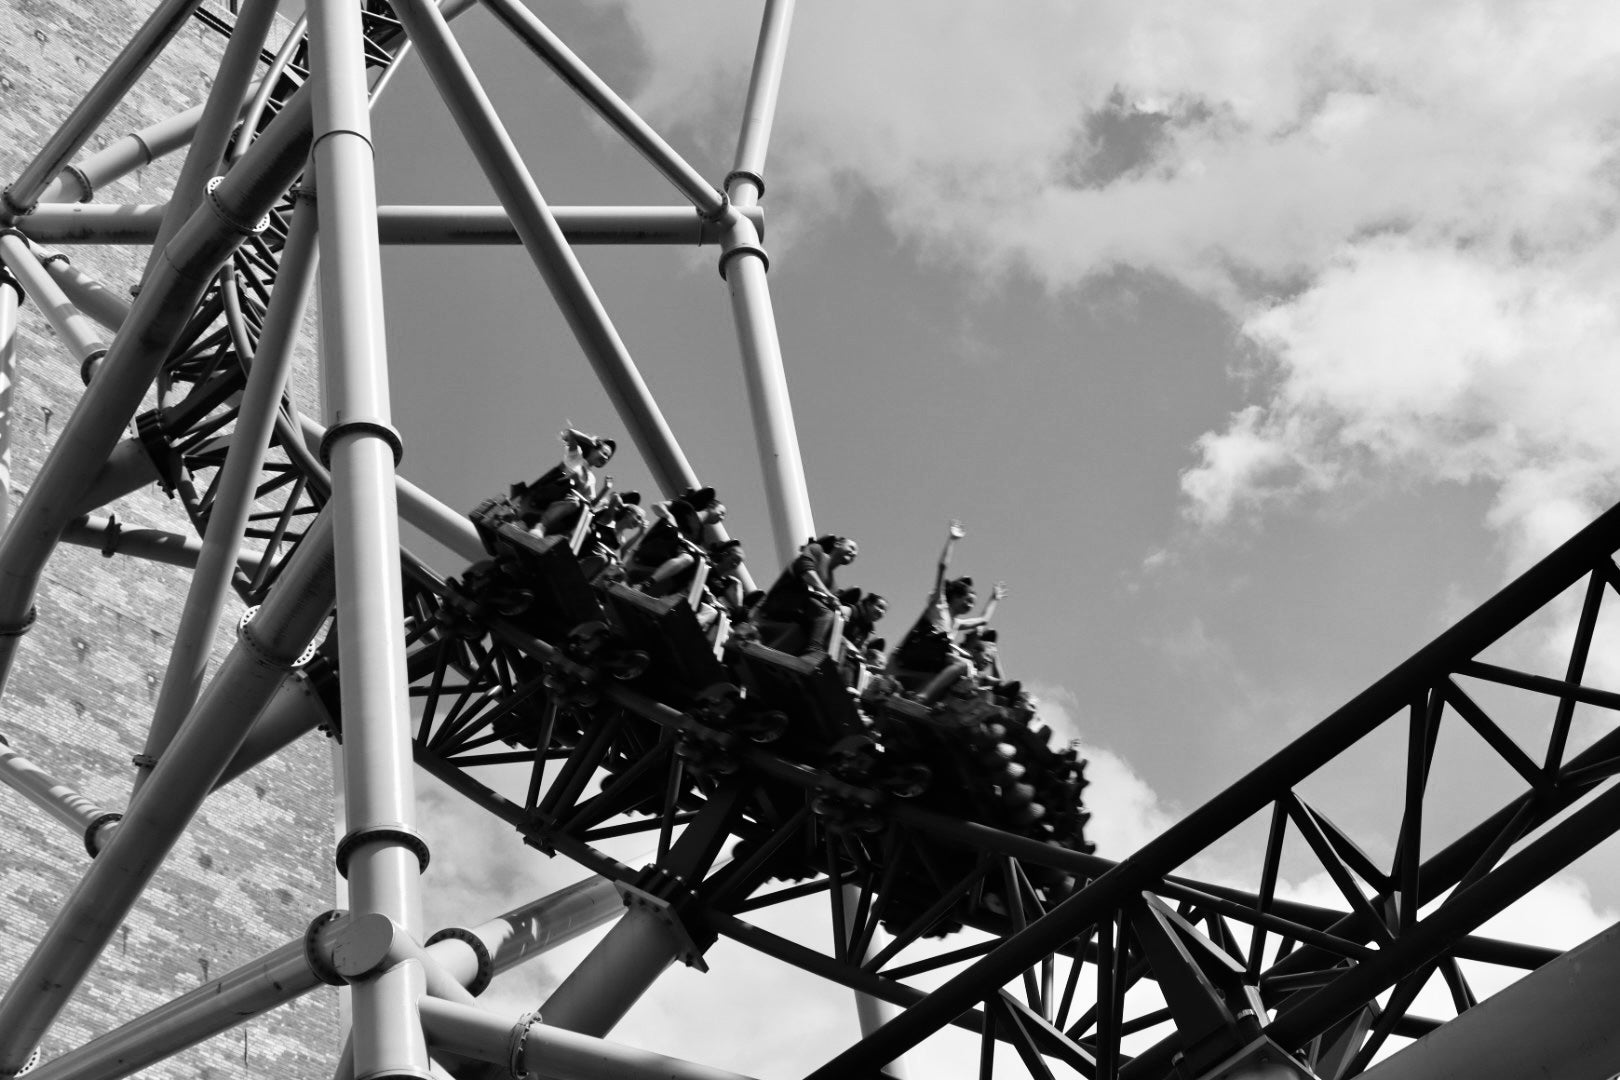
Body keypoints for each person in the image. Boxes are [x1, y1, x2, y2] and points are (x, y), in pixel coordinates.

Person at [891, 521, 1006, 701]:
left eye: (972, 603)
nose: (969, 606)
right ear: (956, 596)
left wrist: (994, 599)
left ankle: (930, 698)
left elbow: (983, 620)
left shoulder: (957, 623)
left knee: (966, 671)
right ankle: (923, 695)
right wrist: (952, 539)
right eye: (967, 600)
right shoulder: (939, 604)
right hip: (914, 652)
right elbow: (942, 568)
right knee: (962, 663)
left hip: (928, 663)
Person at [756, 534, 859, 658]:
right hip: (783, 601)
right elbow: (805, 571)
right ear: (837, 544)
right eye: (852, 548)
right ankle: (814, 650)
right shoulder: (816, 550)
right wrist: (828, 595)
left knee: (834, 630)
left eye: (856, 555)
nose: (853, 554)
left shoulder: (834, 585)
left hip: (801, 613)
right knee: (826, 614)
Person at [511, 427, 616, 534]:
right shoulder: (576, 456)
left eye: (608, 457)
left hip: (564, 507)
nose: (606, 458)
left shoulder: (591, 479)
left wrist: (605, 489)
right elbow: (571, 433)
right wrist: (591, 441)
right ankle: (540, 526)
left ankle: (543, 528)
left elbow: (590, 504)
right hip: (544, 495)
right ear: (594, 449)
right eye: (604, 453)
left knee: (578, 508)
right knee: (571, 488)